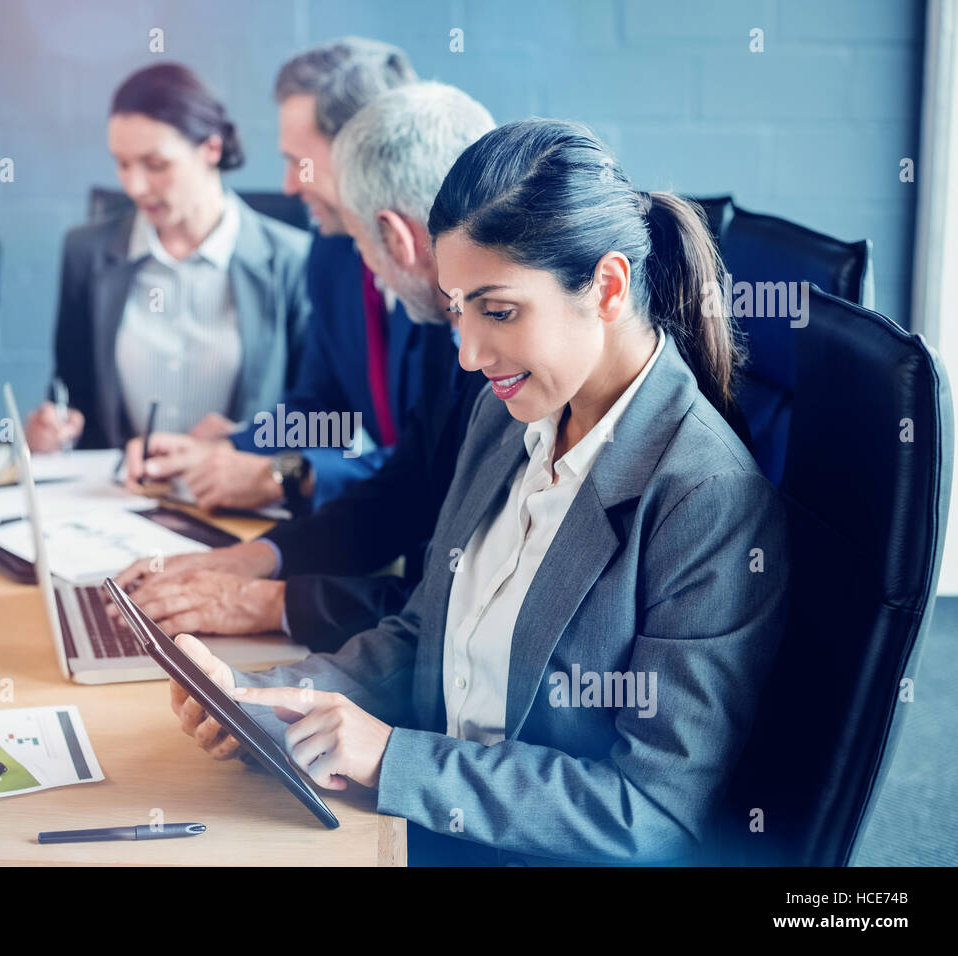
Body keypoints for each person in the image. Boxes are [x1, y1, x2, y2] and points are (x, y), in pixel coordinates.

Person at [165, 119, 790, 866]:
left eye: (498, 311)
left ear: (609, 287)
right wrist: (269, 702)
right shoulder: (505, 413)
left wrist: (392, 760)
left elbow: (652, 813)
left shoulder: (707, 499)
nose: (467, 353)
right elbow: (422, 637)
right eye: (456, 308)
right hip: (409, 826)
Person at [114, 82, 495, 652]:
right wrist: (254, 558)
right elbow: (407, 487)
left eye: (299, 161)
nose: (292, 184)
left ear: (392, 234)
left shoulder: (480, 345)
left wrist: (266, 601)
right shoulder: (454, 320)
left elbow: (460, 607)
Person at [121, 38, 457, 516]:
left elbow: (431, 465)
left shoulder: (445, 275)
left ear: (363, 150)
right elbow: (324, 412)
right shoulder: (332, 251)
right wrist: (231, 447)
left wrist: (286, 476)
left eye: (298, 161)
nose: (288, 185)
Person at [24, 63, 310, 453]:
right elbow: (74, 394)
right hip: (117, 496)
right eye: (122, 164)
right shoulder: (85, 254)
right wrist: (55, 428)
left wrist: (248, 443)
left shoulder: (294, 261)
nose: (135, 186)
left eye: (156, 165)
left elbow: (321, 418)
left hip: (242, 501)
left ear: (211, 148)